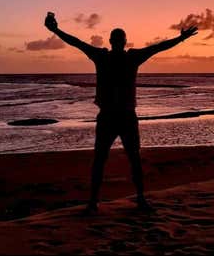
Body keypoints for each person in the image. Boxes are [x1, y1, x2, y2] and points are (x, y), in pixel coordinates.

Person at [44, 11, 197, 213]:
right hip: (115, 116)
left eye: (118, 39)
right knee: (113, 159)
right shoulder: (115, 56)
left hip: (119, 116)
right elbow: (76, 42)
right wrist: (55, 30)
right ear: (119, 41)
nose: (117, 42)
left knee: (122, 159)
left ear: (120, 41)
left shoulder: (113, 57)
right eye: (117, 39)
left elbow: (158, 47)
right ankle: (104, 201)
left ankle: (113, 201)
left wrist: (181, 38)